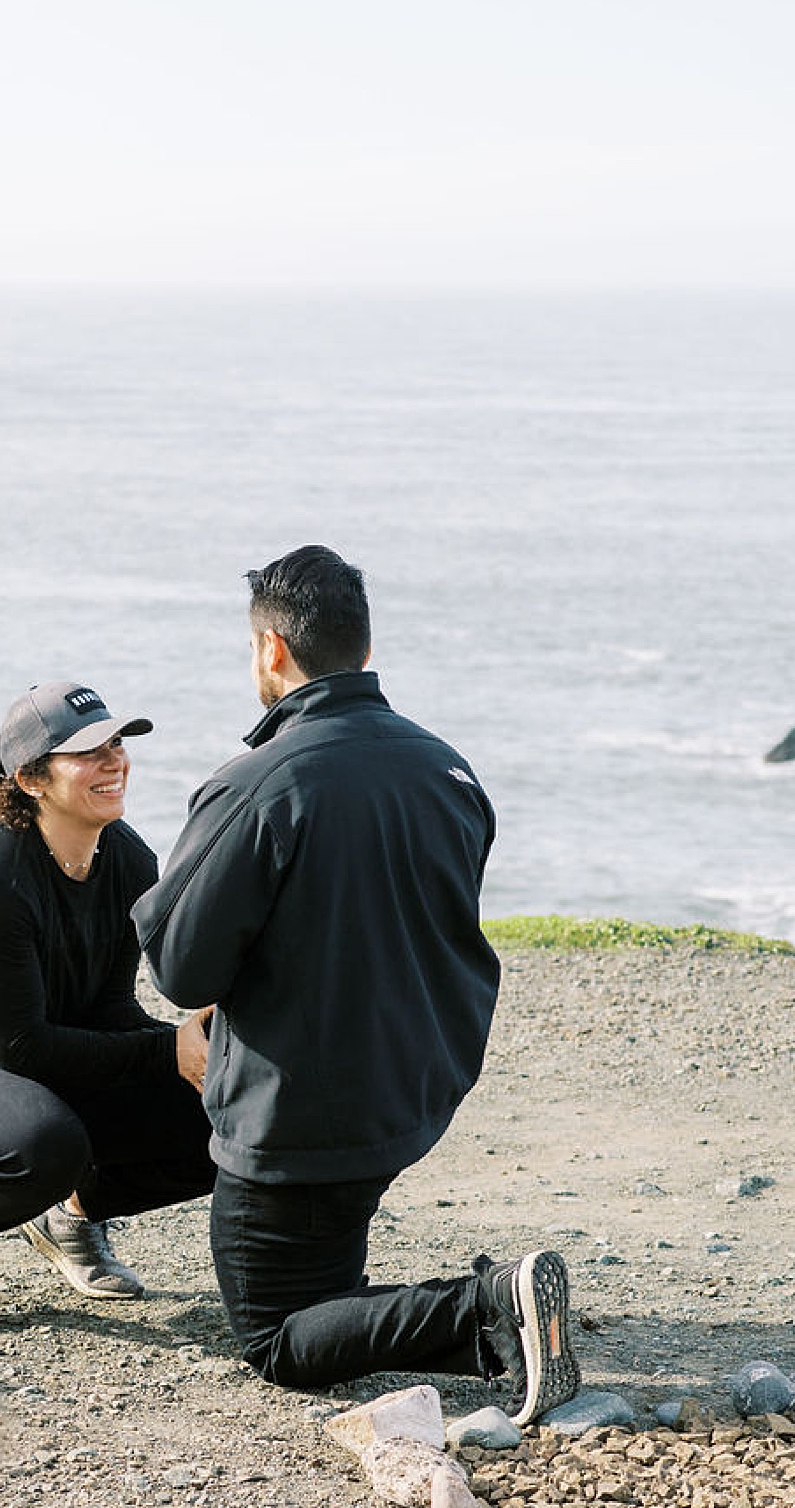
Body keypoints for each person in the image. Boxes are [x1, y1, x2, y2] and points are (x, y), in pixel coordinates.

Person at [133, 546, 579, 1424]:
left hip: (298, 1111)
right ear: (363, 647)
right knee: (328, 1289)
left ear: (271, 651)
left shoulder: (260, 783)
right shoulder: (445, 768)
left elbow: (180, 966)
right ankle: (505, 1329)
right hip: (411, 1083)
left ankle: (488, 1303)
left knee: (273, 1337)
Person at [0, 681, 215, 1330]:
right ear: (31, 779)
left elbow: (109, 1008)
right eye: (88, 750)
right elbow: (21, 1047)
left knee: (229, 1108)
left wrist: (197, 1053)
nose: (114, 760)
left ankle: (69, 1218)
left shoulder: (127, 859)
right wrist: (168, 1046)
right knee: (43, 1140)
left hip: (38, 1065)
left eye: (117, 742)